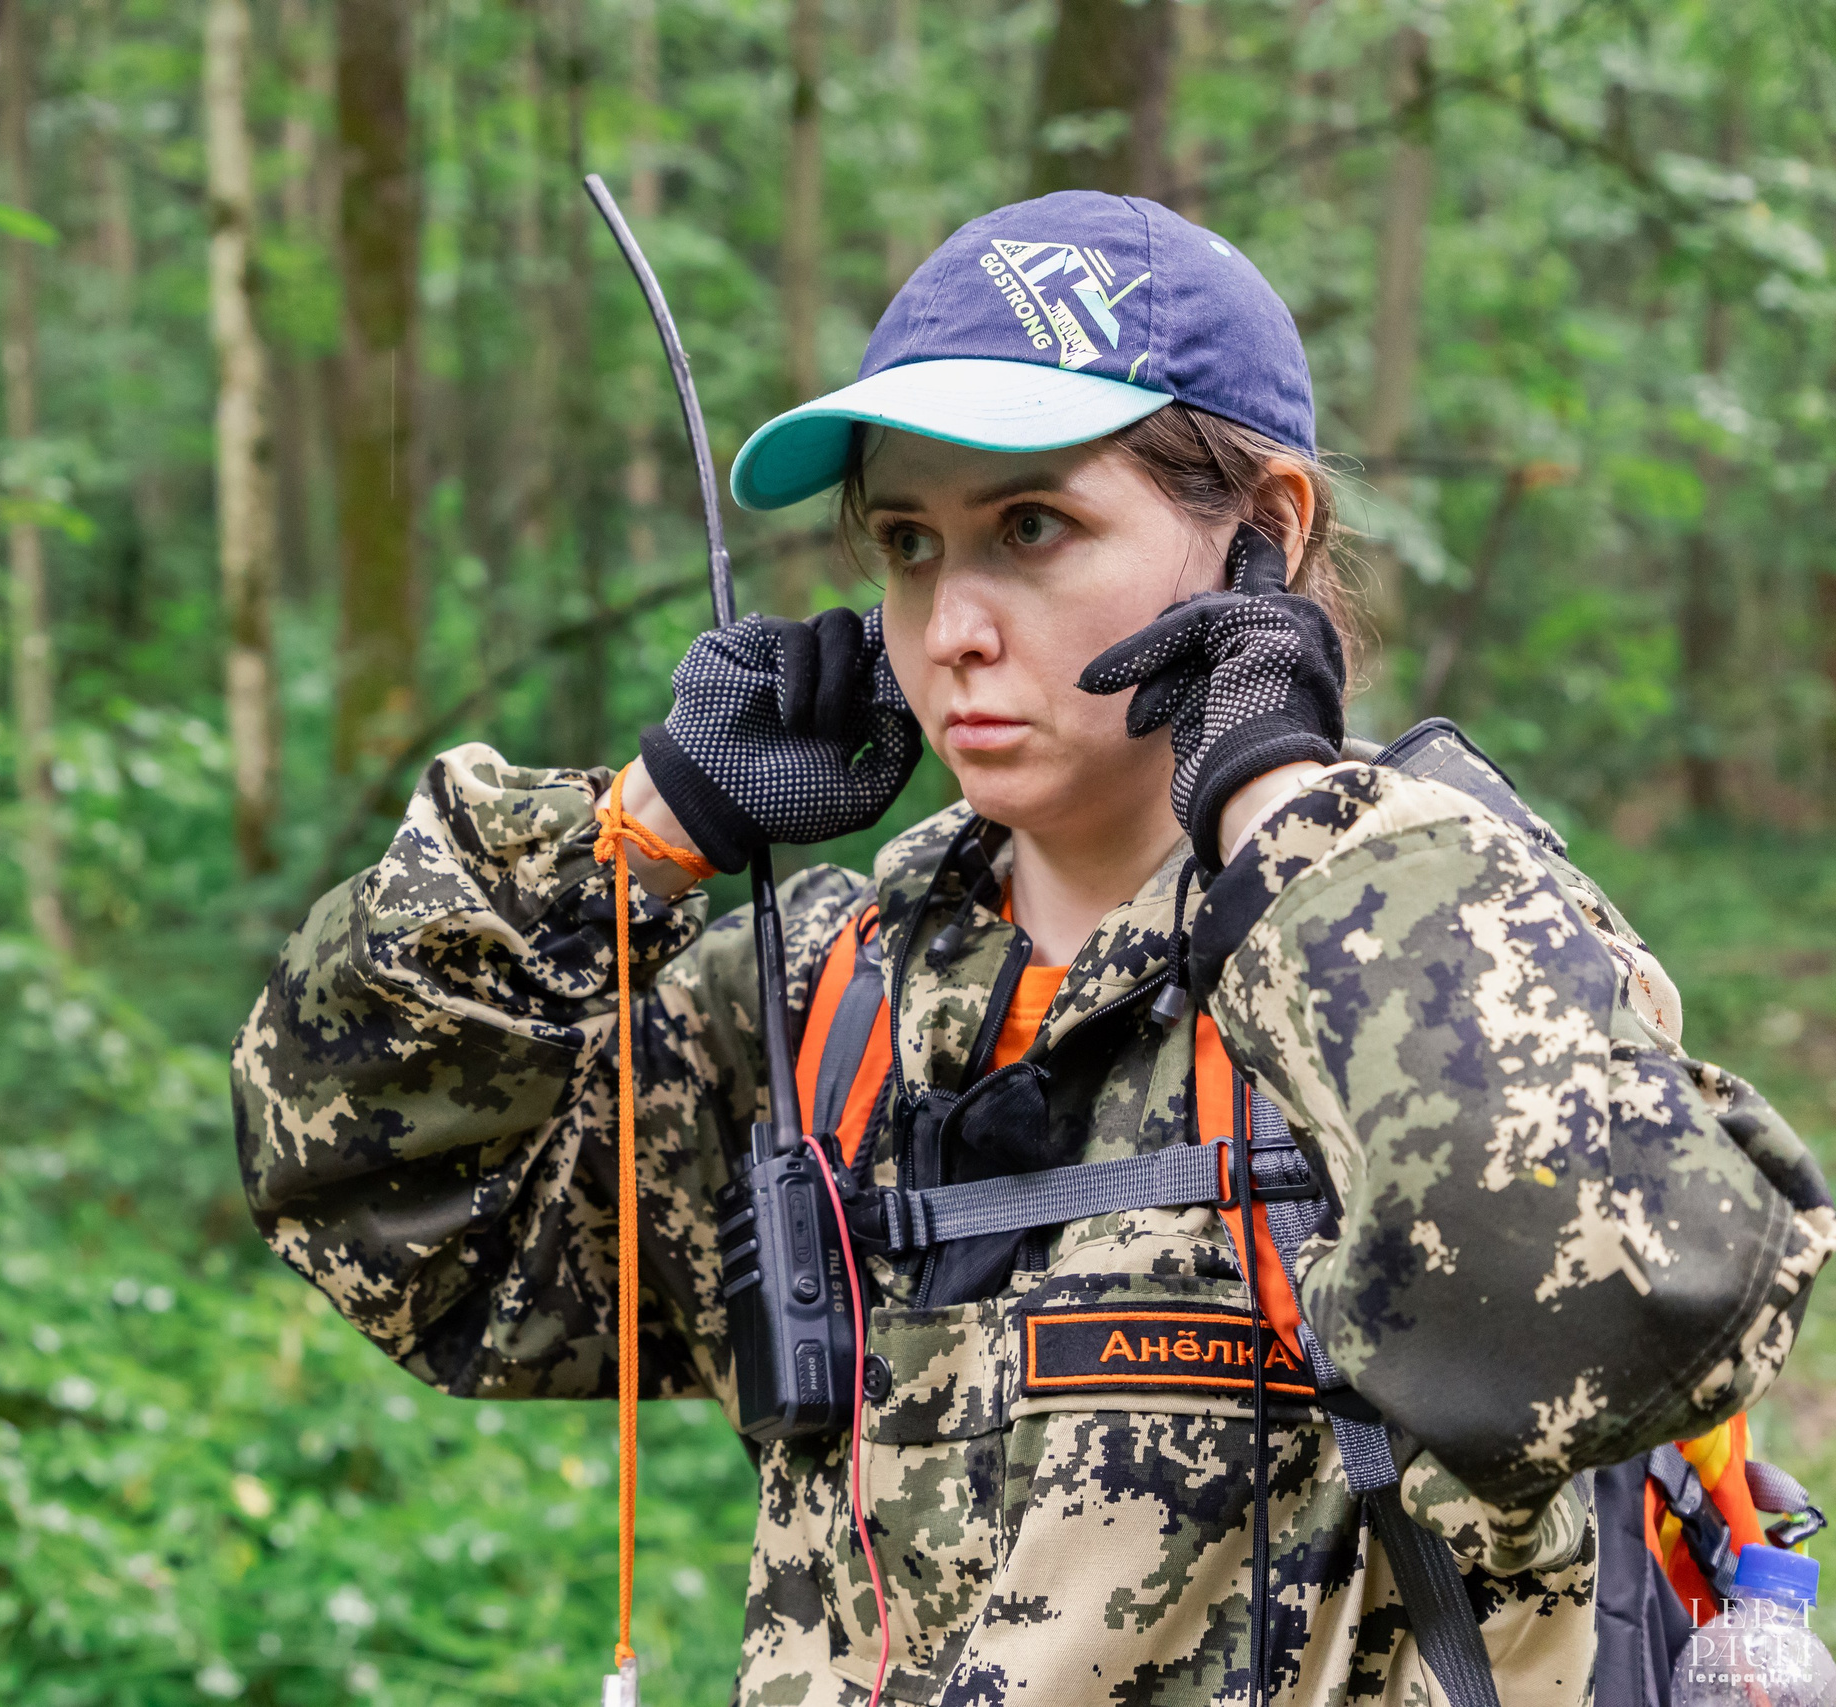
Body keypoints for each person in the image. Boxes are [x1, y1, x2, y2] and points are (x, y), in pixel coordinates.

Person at [230, 192, 1835, 1706]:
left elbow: (1641, 1321)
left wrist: (1279, 803)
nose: (951, 626)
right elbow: (393, 1217)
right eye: (910, 543)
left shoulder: (1423, 946)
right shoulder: (834, 1002)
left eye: (1034, 526)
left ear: (1263, 533)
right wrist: (639, 833)